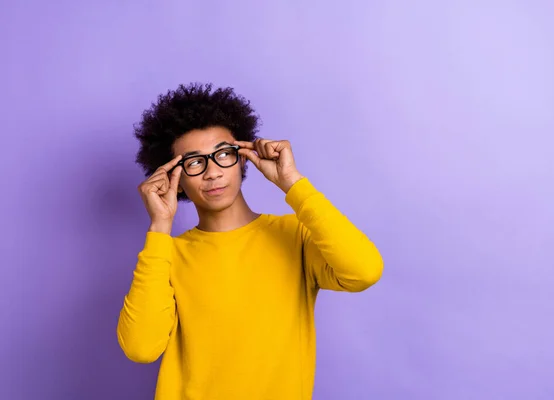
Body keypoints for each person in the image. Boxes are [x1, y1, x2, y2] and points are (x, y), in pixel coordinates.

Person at [116, 82, 384, 400]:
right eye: (194, 162)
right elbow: (140, 348)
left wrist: (293, 185)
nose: (212, 172)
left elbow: (364, 271)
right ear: (176, 178)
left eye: (223, 154)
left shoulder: (294, 235)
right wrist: (160, 227)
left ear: (243, 157)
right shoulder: (165, 255)